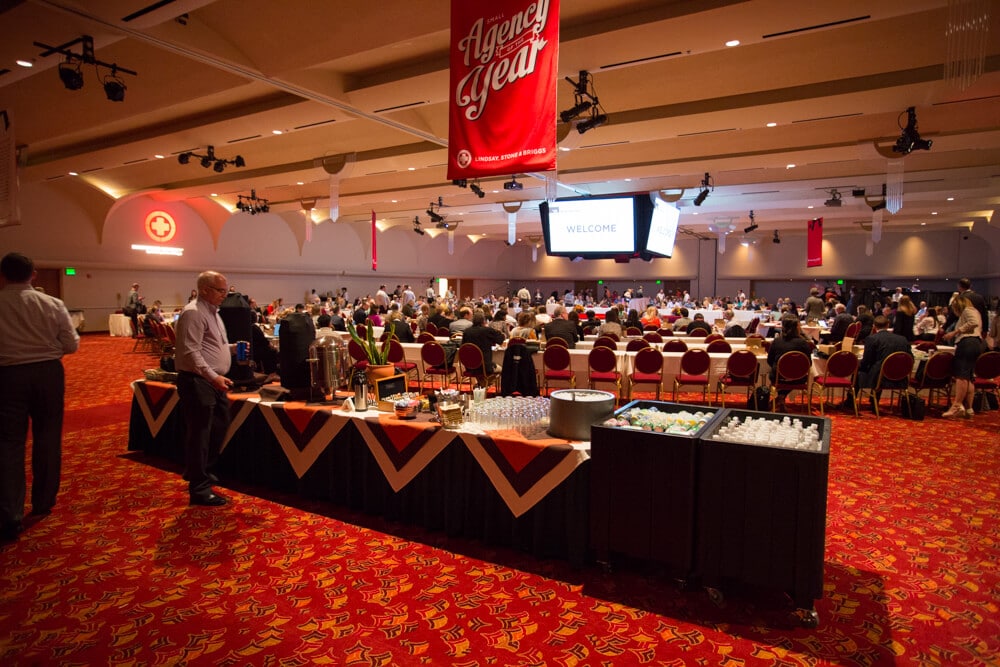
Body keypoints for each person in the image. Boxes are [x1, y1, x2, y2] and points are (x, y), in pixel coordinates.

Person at [0, 253, 80, 541]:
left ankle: (10, 513)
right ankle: (44, 502)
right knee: (47, 438)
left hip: (8, 376)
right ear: (33, 274)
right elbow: (71, 345)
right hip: (48, 374)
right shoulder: (52, 304)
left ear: (3, 275)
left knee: (9, 444)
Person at [174, 271, 236, 507]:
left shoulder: (214, 313)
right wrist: (212, 377)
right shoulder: (193, 313)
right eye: (220, 290)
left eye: (225, 290)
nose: (225, 294)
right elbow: (191, 352)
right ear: (205, 290)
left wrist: (230, 349)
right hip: (198, 381)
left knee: (219, 426)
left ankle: (201, 470)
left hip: (212, 381)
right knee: (200, 434)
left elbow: (211, 345)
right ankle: (198, 488)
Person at [856, 315, 912, 408]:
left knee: (860, 370)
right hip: (900, 376)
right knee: (880, 366)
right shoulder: (902, 339)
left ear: (874, 326)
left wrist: (860, 367)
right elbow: (911, 358)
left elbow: (866, 361)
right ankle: (873, 400)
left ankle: (850, 401)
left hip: (880, 377)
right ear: (888, 325)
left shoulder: (872, 339)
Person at [941, 294, 983, 419]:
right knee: (969, 377)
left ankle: (957, 406)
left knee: (961, 376)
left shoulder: (968, 310)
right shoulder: (974, 311)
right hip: (975, 343)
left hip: (967, 343)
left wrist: (955, 332)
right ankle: (969, 408)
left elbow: (973, 323)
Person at [765, 314, 812, 408]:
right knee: (791, 376)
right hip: (799, 378)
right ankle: (781, 398)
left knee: (779, 375)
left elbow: (770, 361)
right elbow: (809, 363)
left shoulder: (777, 341)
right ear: (797, 328)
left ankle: (781, 397)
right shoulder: (803, 343)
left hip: (779, 377)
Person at [462, 309, 506, 375]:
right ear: (484, 321)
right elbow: (500, 340)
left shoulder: (466, 331)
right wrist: (501, 333)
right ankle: (485, 383)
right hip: (485, 366)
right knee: (502, 369)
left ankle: (481, 384)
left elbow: (463, 346)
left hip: (469, 366)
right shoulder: (487, 331)